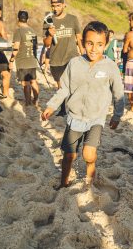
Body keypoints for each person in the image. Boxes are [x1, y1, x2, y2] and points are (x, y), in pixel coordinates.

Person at [41, 21, 124, 189]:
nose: (94, 49)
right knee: (69, 155)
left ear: (106, 44)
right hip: (75, 117)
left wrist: (117, 115)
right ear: (83, 42)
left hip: (96, 118)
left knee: (88, 154)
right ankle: (64, 183)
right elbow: (65, 88)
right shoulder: (75, 63)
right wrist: (52, 106)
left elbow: (119, 93)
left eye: (99, 44)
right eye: (90, 43)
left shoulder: (110, 66)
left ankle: (90, 177)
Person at [43, 0, 84, 116]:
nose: (55, 8)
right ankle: (62, 109)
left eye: (58, 5)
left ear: (64, 5)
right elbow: (46, 44)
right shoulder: (48, 19)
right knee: (61, 86)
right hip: (56, 59)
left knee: (73, 84)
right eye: (53, 6)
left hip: (72, 57)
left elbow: (79, 38)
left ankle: (74, 108)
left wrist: (84, 56)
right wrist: (50, 34)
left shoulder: (72, 19)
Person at [9, 10, 39, 106]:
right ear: (27, 19)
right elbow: (36, 47)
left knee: (25, 83)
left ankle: (28, 102)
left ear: (18, 19)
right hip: (32, 60)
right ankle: (36, 100)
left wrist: (11, 60)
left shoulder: (18, 31)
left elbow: (16, 48)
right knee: (33, 81)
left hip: (23, 61)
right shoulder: (33, 31)